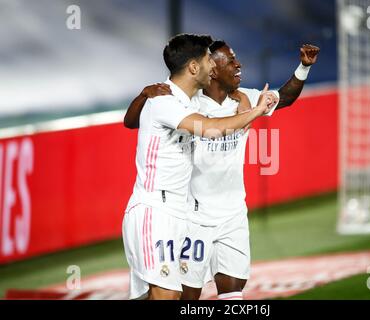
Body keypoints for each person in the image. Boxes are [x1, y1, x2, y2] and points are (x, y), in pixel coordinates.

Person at [124, 39, 320, 300]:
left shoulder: (246, 98)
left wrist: (303, 68)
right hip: (191, 215)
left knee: (231, 290)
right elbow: (204, 126)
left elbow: (284, 97)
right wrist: (144, 94)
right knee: (181, 295)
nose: (238, 65)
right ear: (209, 69)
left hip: (231, 213)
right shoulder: (188, 104)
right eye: (228, 61)